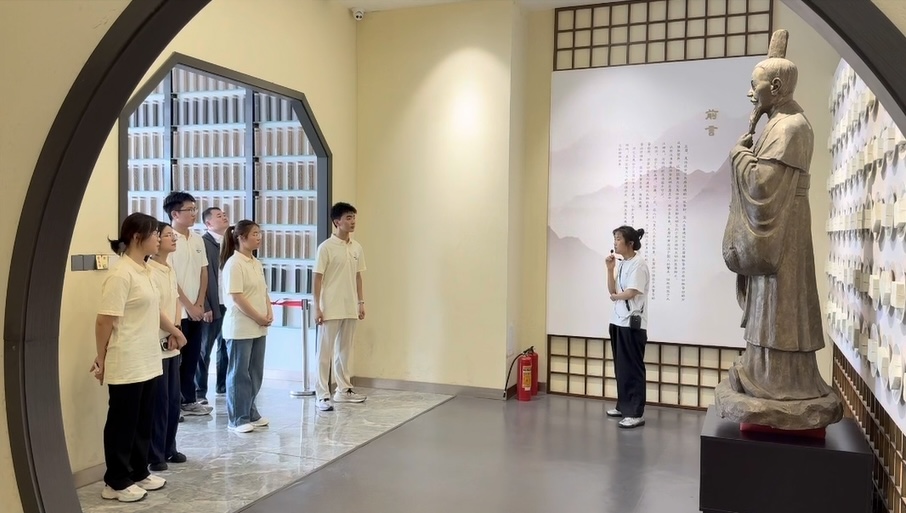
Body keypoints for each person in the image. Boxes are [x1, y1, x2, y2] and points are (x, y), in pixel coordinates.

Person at [720, 29, 840, 422]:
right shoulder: (778, 123)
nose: (749, 93)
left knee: (781, 302)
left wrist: (739, 157)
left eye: (754, 85)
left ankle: (779, 381)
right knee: (768, 301)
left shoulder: (791, 128)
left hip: (785, 230)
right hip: (783, 225)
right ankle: (761, 371)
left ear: (775, 86)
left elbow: (763, 185)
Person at [93, 213, 186, 502]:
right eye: (155, 234)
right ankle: (116, 481)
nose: (159, 238)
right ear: (137, 237)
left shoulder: (145, 270)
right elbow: (104, 320)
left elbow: (155, 309)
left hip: (149, 358)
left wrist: (176, 331)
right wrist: (101, 357)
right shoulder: (121, 274)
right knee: (123, 422)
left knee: (144, 420)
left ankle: (138, 471)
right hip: (127, 360)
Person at [313, 202, 367, 412]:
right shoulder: (326, 247)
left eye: (354, 217)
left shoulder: (356, 247)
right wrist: (317, 306)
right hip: (330, 306)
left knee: (344, 350)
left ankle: (343, 390)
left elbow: (358, 277)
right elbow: (317, 278)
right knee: (324, 352)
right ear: (337, 222)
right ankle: (322, 394)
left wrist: (361, 302)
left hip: (350, 306)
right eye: (348, 218)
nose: (352, 221)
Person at [163, 191, 213, 417]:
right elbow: (171, 277)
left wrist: (200, 303)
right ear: (175, 214)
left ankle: (189, 400)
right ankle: (174, 404)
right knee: (175, 359)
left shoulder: (197, 238)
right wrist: (189, 306)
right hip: (177, 311)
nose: (194, 213)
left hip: (196, 309)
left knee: (193, 357)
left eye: (194, 209)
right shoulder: (167, 239)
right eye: (189, 210)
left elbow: (204, 272)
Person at [220, 220, 272, 433]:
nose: (259, 237)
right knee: (239, 373)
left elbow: (263, 291)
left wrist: (268, 311)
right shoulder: (234, 263)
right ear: (241, 238)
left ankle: (251, 411)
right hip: (240, 327)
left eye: (259, 233)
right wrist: (258, 316)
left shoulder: (255, 262)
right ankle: (237, 418)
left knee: (255, 372)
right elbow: (236, 297)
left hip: (258, 326)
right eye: (254, 234)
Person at [147, 221, 188, 471]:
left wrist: (177, 328)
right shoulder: (150, 270)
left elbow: (175, 301)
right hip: (157, 340)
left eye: (174, 236)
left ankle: (170, 447)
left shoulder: (169, 268)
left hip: (173, 339)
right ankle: (155, 454)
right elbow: (156, 308)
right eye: (167, 235)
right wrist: (174, 331)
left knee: (173, 399)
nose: (173, 239)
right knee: (159, 401)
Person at [604, 225, 649, 429]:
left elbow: (631, 292)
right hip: (618, 321)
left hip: (632, 324)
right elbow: (612, 290)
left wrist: (615, 297)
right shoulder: (623, 263)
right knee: (621, 367)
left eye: (618, 239)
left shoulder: (639, 264)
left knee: (633, 367)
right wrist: (610, 269)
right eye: (614, 238)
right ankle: (623, 406)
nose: (615, 242)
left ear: (630, 243)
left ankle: (635, 413)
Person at [197, 206, 230, 403]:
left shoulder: (230, 242)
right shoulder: (203, 243)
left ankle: (223, 386)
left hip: (228, 303)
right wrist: (206, 305)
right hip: (211, 304)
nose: (224, 217)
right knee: (204, 349)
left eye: (224, 214)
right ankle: (199, 391)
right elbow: (201, 277)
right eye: (219, 216)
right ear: (208, 223)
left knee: (225, 346)